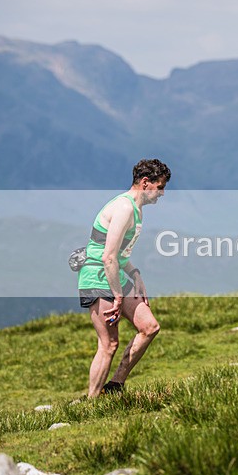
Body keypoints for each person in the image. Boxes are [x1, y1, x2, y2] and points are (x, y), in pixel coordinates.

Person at [77, 158, 171, 396]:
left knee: (150, 327)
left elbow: (118, 255)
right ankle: (91, 403)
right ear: (145, 182)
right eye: (160, 187)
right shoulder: (124, 208)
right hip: (98, 277)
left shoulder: (136, 210)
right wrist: (118, 295)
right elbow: (108, 256)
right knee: (108, 344)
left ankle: (115, 385)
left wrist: (134, 273)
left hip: (114, 274)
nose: (162, 193)